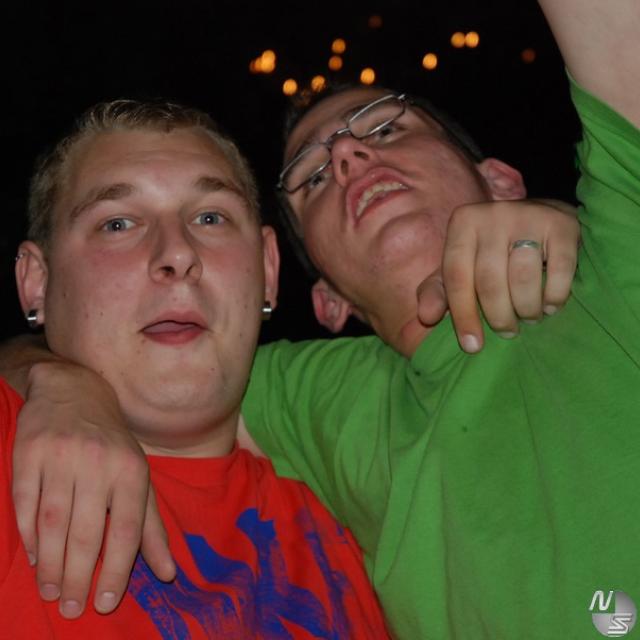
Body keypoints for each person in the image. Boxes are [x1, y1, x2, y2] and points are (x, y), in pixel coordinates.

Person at [0, 99, 390, 638]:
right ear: (37, 283)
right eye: (117, 223)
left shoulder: (359, 500)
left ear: (268, 268)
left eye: (210, 218)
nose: (177, 253)